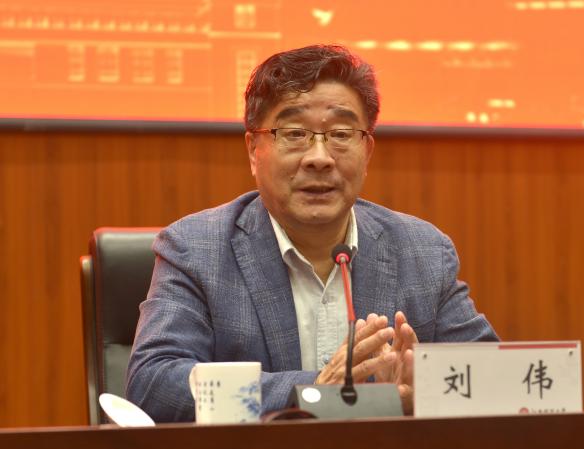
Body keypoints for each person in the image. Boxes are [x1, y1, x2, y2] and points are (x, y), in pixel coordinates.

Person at [126, 44, 498, 422]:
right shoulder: (195, 249)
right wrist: (314, 391)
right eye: (295, 133)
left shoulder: (423, 252)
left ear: (367, 151)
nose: (319, 157)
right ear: (254, 150)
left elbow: (495, 381)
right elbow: (154, 385)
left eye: (340, 133)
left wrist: (429, 389)